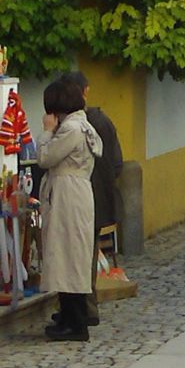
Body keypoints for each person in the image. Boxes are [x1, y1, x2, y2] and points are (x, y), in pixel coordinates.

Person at [37, 78, 103, 341]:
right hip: (73, 193)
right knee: (69, 253)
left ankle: (75, 322)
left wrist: (46, 132)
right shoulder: (81, 124)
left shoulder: (71, 129)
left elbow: (46, 157)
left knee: (68, 254)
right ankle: (69, 314)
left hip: (68, 195)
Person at [60, 71, 123, 327]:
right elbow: (117, 163)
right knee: (86, 255)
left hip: (79, 198)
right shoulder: (102, 121)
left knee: (76, 257)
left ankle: (81, 310)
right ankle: (85, 308)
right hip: (100, 198)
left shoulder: (71, 127)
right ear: (86, 90)